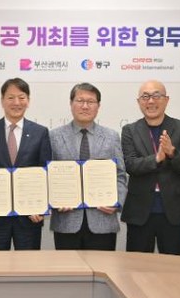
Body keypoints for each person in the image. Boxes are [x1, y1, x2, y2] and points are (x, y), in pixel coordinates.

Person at [0, 78, 52, 250]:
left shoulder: (40, 132)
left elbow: (45, 172)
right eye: (10, 97)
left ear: (28, 100)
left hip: (29, 217)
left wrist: (40, 206)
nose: (16, 102)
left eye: (21, 97)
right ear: (2, 101)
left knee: (29, 264)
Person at [49, 83, 127, 250]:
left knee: (103, 265)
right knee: (68, 267)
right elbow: (47, 176)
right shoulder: (54, 136)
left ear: (98, 106)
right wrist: (54, 200)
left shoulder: (111, 136)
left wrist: (117, 202)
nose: (85, 106)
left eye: (90, 101)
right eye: (80, 100)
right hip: (66, 220)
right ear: (71, 104)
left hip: (103, 220)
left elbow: (120, 174)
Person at [121, 80, 180, 255]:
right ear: (139, 102)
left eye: (156, 96)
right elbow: (130, 165)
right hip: (139, 210)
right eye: (145, 97)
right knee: (137, 266)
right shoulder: (130, 130)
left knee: (175, 266)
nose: (151, 101)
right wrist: (157, 158)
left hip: (174, 210)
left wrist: (172, 152)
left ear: (166, 100)